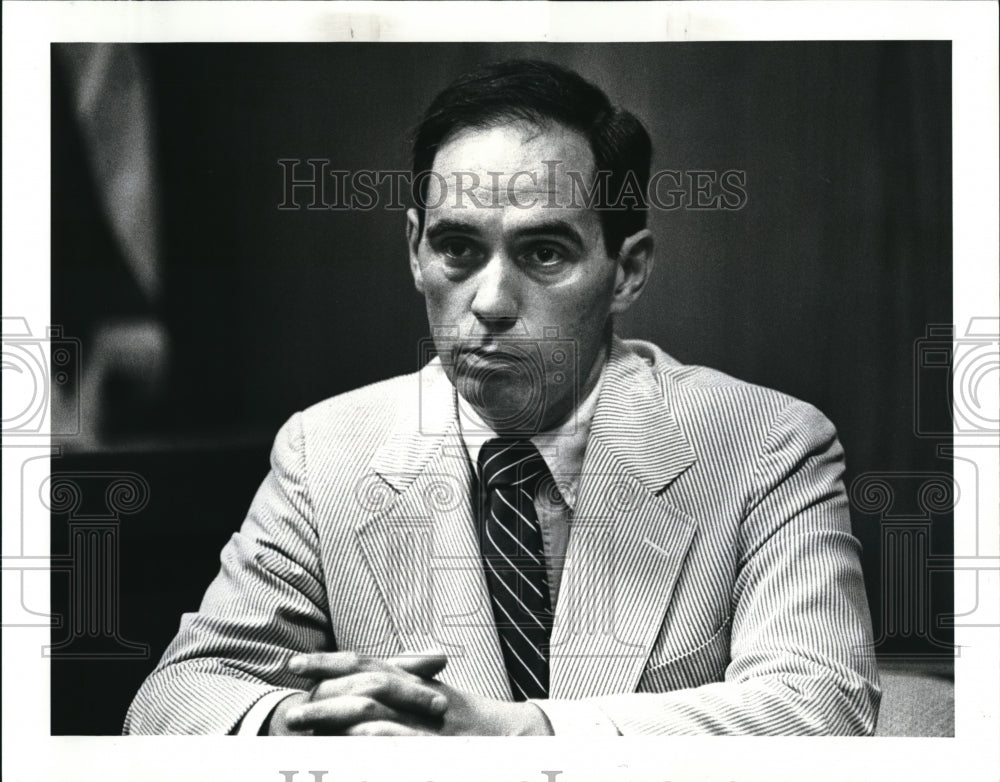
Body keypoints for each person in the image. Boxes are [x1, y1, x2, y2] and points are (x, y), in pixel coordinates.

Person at [124, 59, 880, 736]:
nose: (489, 302)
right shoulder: (324, 453)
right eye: (457, 249)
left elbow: (821, 704)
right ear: (415, 249)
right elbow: (174, 699)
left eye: (543, 252)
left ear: (628, 271)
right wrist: (293, 720)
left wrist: (522, 737)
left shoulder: (767, 444)